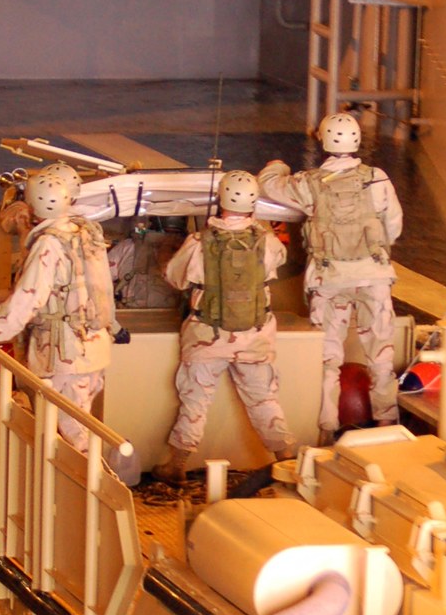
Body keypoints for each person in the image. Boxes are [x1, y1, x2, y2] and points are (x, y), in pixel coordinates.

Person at [260, 112, 403, 442]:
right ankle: (387, 426)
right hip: (374, 277)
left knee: (328, 359)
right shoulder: (377, 178)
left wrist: (277, 165)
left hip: (329, 279)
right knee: (380, 356)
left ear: (323, 142)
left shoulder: (307, 183)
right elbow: (393, 226)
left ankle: (326, 430)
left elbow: (268, 185)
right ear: (356, 141)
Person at [157, 169, 296, 483]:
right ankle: (286, 458)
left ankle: (176, 463)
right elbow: (280, 262)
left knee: (195, 401)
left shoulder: (198, 242)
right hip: (256, 337)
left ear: (221, 200)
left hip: (208, 336)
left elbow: (176, 278)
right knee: (263, 399)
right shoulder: (267, 241)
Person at [0, 161, 120, 454]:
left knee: (74, 436)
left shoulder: (49, 245)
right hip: (93, 347)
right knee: (76, 425)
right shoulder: (86, 233)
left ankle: (99, 491)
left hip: (64, 353)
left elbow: (26, 301)